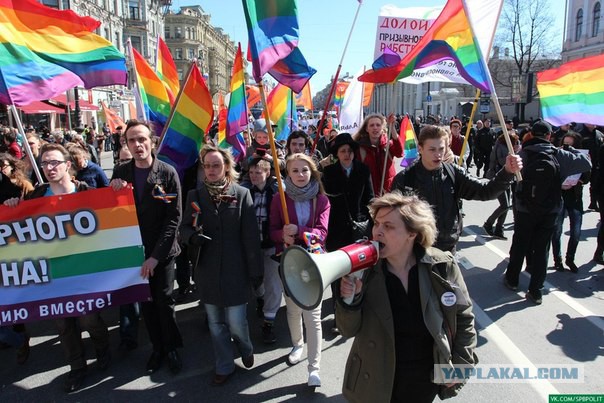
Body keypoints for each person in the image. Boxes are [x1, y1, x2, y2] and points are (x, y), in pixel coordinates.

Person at [336, 192, 477, 403]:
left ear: (412, 233)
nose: (377, 232)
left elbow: (463, 317)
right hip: (375, 382)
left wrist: (461, 364)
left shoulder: (441, 266)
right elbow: (347, 330)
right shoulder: (364, 270)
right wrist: (350, 301)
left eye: (389, 226)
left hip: (422, 383)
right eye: (376, 224)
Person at [4, 143, 110, 393]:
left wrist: (117, 189)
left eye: (54, 163)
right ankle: (77, 368)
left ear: (67, 165)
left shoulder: (86, 192)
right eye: (44, 164)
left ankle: (103, 352)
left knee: (90, 319)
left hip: (84, 271)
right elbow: (20, 226)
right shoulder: (36, 196)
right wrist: (11, 206)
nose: (49, 168)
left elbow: (111, 219)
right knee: (63, 324)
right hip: (52, 274)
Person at [180, 145, 263, 385]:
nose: (212, 170)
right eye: (207, 166)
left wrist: (255, 271)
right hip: (206, 271)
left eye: (216, 165)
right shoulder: (195, 196)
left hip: (236, 271)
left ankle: (246, 348)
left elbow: (250, 237)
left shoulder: (242, 194)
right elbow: (184, 228)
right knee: (216, 325)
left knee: (236, 323)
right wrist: (192, 238)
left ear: (226, 167)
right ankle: (224, 365)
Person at [110, 120, 183, 374]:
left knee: (164, 301)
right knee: (147, 302)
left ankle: (172, 347)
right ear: (126, 144)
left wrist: (155, 257)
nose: (138, 145)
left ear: (151, 141)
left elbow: (173, 218)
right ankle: (157, 349)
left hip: (161, 253)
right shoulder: (121, 172)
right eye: (132, 140)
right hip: (133, 252)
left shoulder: (167, 173)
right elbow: (114, 213)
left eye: (142, 139)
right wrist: (113, 193)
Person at [392, 125, 522, 253]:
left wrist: (507, 171)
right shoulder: (405, 179)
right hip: (416, 250)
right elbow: (391, 218)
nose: (438, 154)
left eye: (441, 149)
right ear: (420, 149)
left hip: (448, 249)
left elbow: (485, 191)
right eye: (432, 149)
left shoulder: (453, 173)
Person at [504, 121, 592, 305]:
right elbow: (586, 163)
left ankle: (512, 280)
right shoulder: (558, 154)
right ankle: (536, 291)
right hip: (550, 209)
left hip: (524, 208)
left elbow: (508, 175)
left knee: (520, 244)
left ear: (531, 134)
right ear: (549, 136)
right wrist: (569, 149)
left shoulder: (522, 154)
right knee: (542, 249)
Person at [269, 153, 330, 387]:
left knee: (313, 316)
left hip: (314, 263)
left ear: (312, 172)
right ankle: (297, 344)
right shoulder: (279, 199)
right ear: (287, 174)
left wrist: (300, 229)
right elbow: (272, 231)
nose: (300, 175)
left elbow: (322, 234)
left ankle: (314, 368)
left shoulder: (322, 200)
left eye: (305, 170)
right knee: (293, 309)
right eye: (295, 171)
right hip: (289, 261)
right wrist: (281, 235)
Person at [243, 158, 282, 344]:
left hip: (271, 245)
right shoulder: (245, 192)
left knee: (273, 284)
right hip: (251, 247)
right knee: (256, 281)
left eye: (258, 172)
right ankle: (260, 299)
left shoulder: (276, 193)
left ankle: (269, 323)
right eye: (251, 173)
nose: (254, 176)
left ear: (267, 173)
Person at [322, 133, 374, 251]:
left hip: (359, 223)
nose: (347, 154)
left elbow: (369, 196)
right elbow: (326, 199)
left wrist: (368, 218)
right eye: (343, 151)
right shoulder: (328, 172)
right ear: (337, 153)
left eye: (350, 151)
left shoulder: (363, 169)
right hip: (336, 225)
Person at [551, 132, 590, 273]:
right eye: (565, 143)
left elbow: (586, 177)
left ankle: (570, 258)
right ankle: (558, 260)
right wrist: (560, 184)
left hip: (574, 197)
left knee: (576, 231)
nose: (567, 147)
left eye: (570, 144)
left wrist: (578, 181)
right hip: (560, 196)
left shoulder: (581, 156)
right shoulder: (557, 154)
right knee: (557, 230)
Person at [483, 132, 521, 240]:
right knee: (504, 205)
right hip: (498, 177)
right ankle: (489, 223)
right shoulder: (500, 146)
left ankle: (499, 228)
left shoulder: (506, 146)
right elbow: (501, 161)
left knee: (507, 204)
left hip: (508, 177)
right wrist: (513, 153)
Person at [353, 113, 403, 196]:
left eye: (378, 125)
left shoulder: (388, 145)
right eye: (372, 125)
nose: (375, 128)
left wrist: (392, 128)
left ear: (382, 128)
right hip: (369, 195)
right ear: (366, 129)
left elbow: (399, 153)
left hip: (388, 194)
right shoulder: (359, 149)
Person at [579, 123, 604, 210]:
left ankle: (593, 203)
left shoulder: (599, 134)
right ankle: (578, 203)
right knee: (580, 183)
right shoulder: (580, 135)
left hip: (597, 164)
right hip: (584, 164)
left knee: (595, 184)